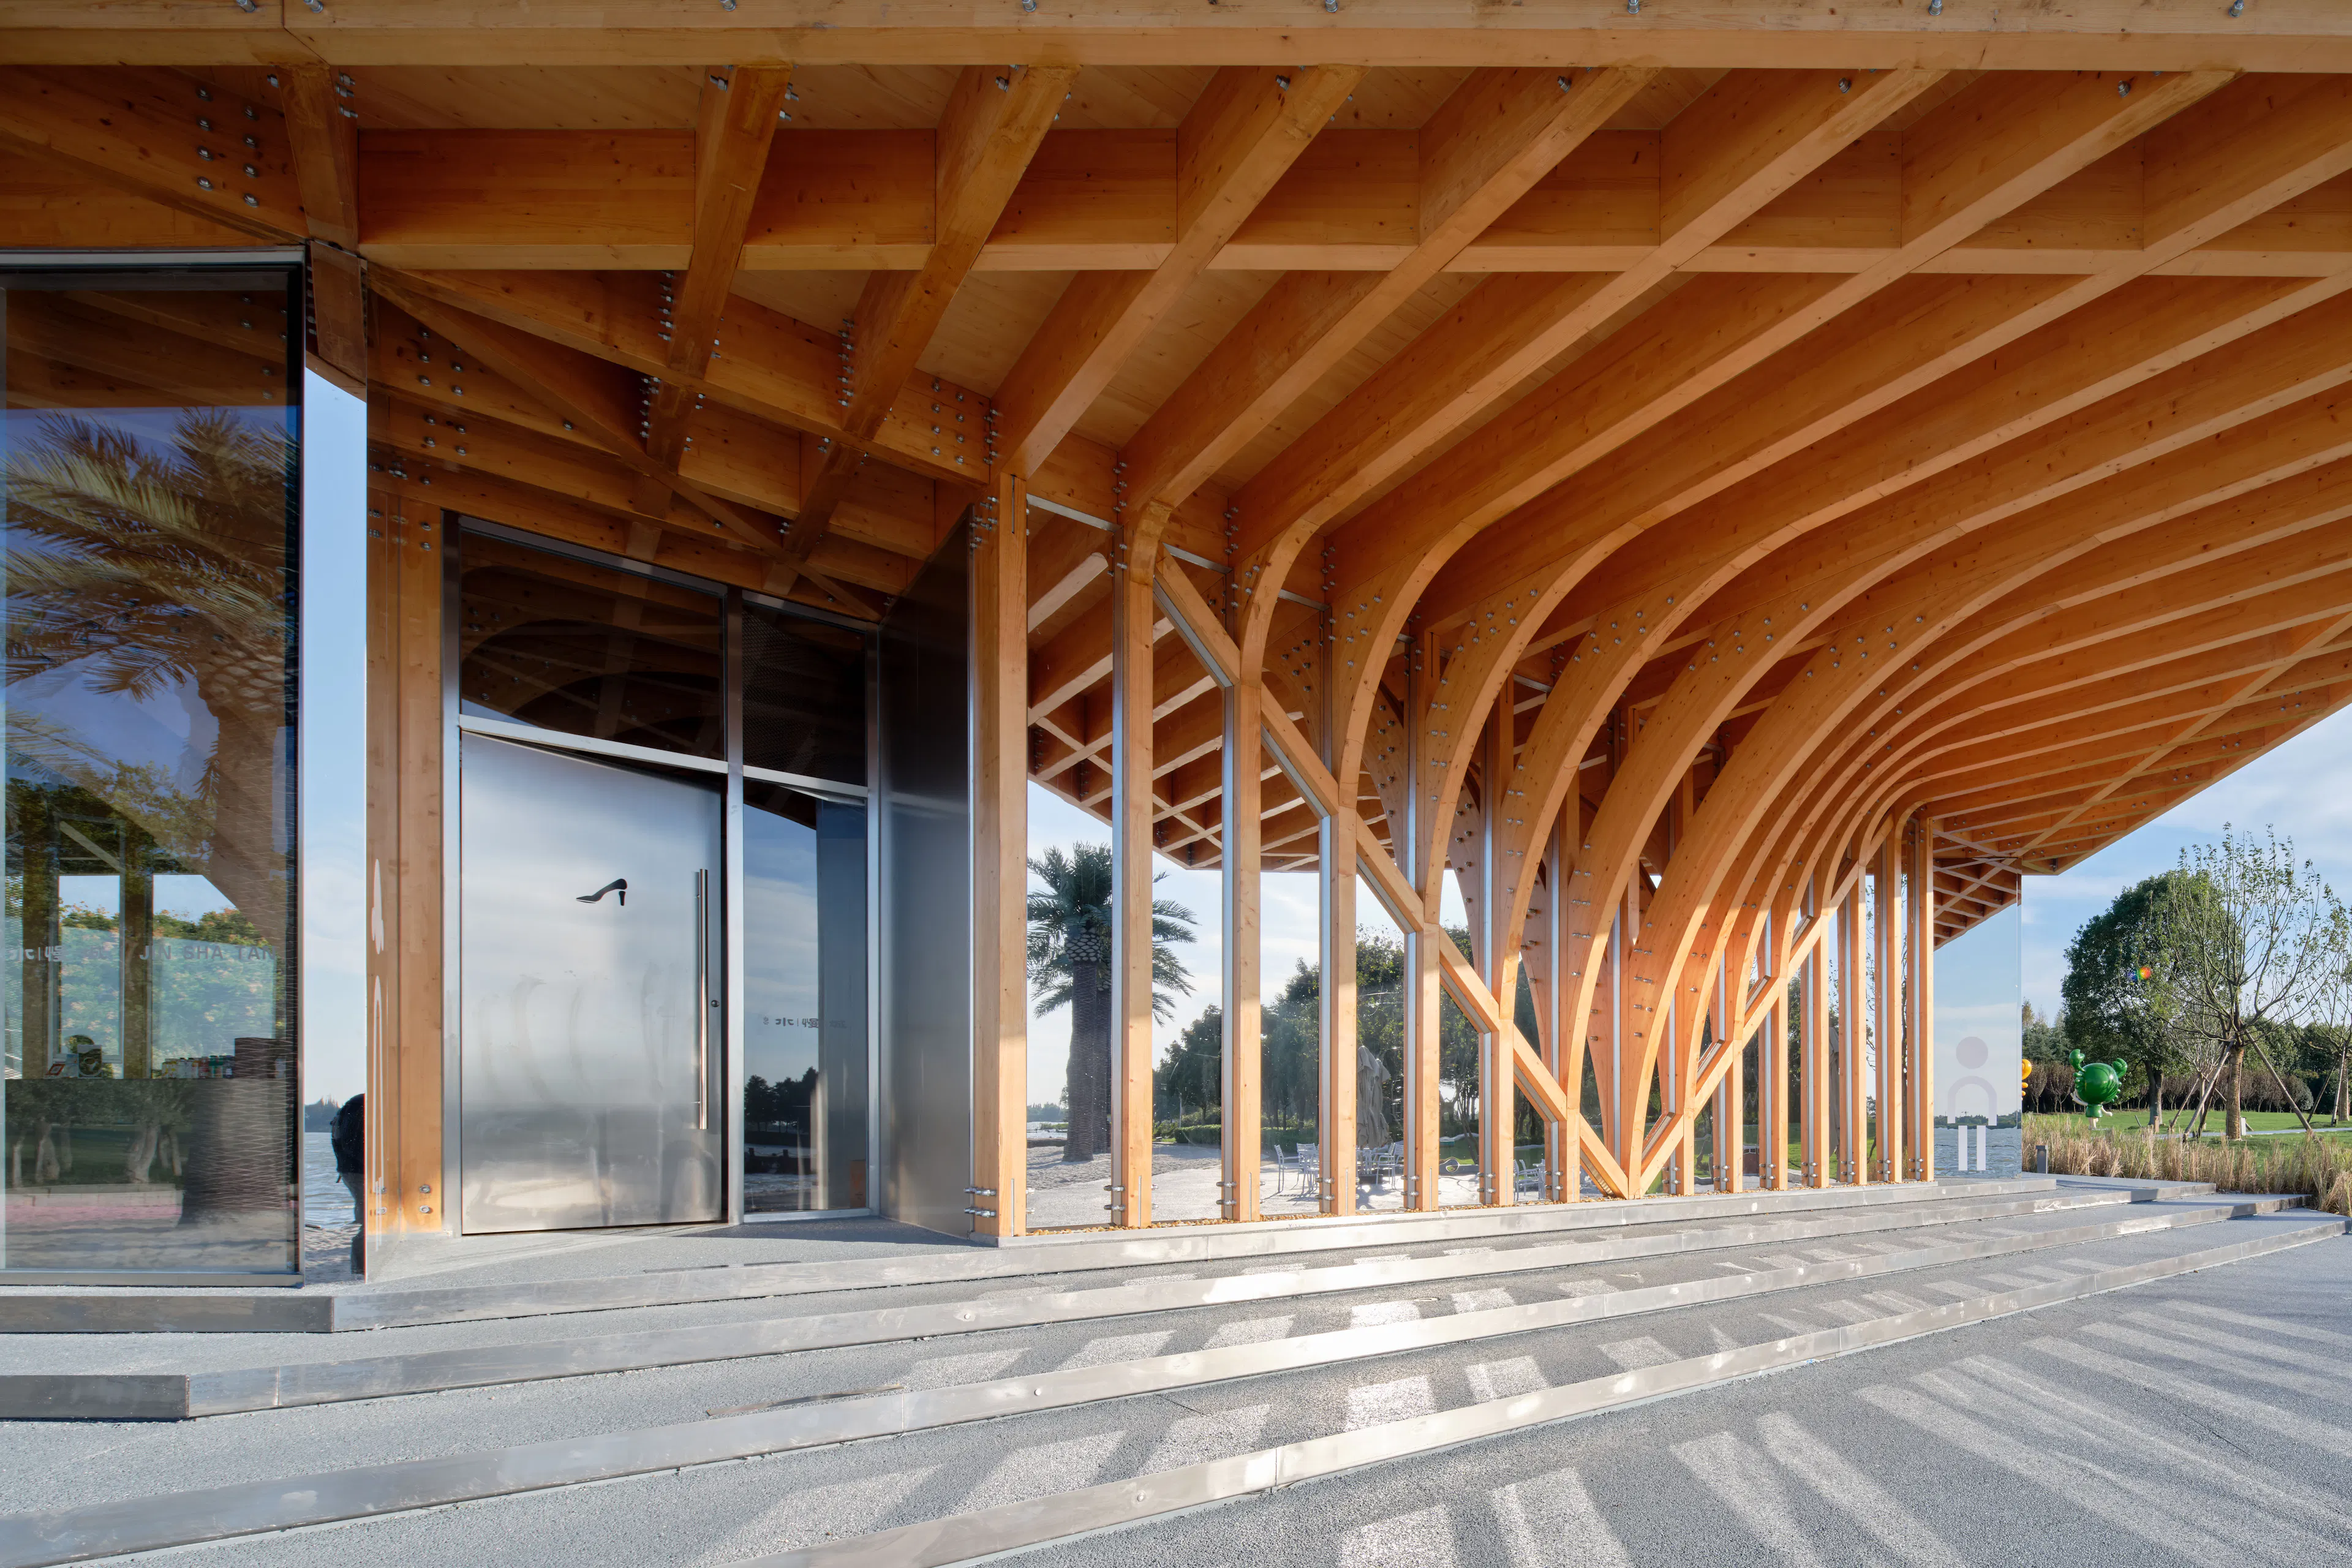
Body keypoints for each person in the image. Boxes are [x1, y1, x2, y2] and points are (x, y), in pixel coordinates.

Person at [330, 1094, 364, 1273]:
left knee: (369, 1217)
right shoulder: (359, 1106)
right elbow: (351, 1144)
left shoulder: (357, 1104)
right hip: (358, 1171)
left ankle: (361, 1267)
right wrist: (376, 1165)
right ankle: (360, 1268)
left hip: (354, 1170)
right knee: (370, 1218)